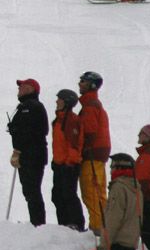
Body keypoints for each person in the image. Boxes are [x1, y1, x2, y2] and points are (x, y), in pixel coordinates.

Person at [7, 78, 49, 226]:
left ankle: (38, 223)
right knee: (30, 191)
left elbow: (33, 131)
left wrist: (16, 135)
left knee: (32, 191)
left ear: (31, 89)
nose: (19, 89)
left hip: (32, 155)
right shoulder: (26, 106)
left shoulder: (31, 106)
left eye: (22, 86)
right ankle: (36, 223)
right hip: (30, 155)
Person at [77, 71, 111, 236]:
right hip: (98, 153)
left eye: (83, 81)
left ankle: (98, 228)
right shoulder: (93, 104)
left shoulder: (90, 105)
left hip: (92, 154)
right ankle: (101, 225)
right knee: (97, 191)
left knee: (91, 191)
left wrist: (81, 148)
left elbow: (89, 130)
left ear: (91, 85)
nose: (79, 84)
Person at [51, 89, 85, 231]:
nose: (57, 101)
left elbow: (74, 144)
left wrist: (69, 163)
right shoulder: (60, 119)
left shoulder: (71, 120)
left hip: (68, 165)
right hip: (60, 164)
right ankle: (64, 224)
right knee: (58, 195)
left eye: (60, 99)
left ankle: (75, 223)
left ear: (67, 102)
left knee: (68, 195)